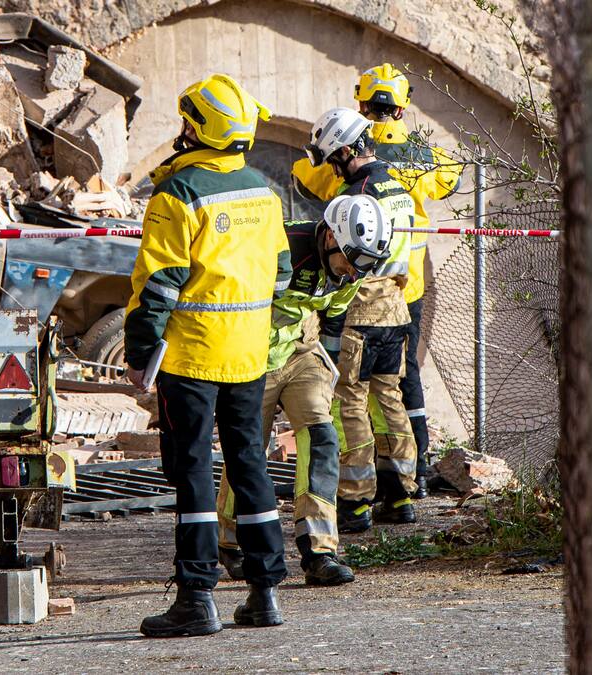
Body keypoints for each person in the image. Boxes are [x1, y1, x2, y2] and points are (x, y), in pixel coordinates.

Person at [125, 74, 288, 637]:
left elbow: (158, 283)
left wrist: (140, 351)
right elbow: (281, 276)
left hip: (190, 357)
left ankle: (196, 598)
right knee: (249, 464)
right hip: (248, 355)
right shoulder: (264, 191)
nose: (182, 129)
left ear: (198, 130)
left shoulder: (179, 193)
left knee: (193, 470)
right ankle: (264, 593)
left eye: (186, 121)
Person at [293, 64, 463, 497]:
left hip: (358, 295)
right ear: (402, 108)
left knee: (350, 394)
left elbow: (304, 179)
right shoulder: (419, 158)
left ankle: (356, 494)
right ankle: (410, 478)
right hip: (405, 288)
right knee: (400, 387)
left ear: (362, 103)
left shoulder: (351, 176)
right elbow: (454, 175)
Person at [216, 194, 395, 586]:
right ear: (330, 237)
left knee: (321, 437)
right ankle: (230, 542)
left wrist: (328, 368)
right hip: (252, 357)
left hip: (299, 350)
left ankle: (319, 551)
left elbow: (333, 316)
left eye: (367, 264)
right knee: (247, 449)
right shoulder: (282, 248)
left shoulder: (352, 270)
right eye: (353, 260)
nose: (355, 272)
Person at [296, 107, 418, 533]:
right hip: (396, 308)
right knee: (388, 400)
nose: (332, 170)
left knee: (348, 401)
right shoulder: (398, 187)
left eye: (333, 160)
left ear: (346, 150)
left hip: (359, 309)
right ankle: (400, 494)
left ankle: (355, 500)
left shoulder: (357, 196)